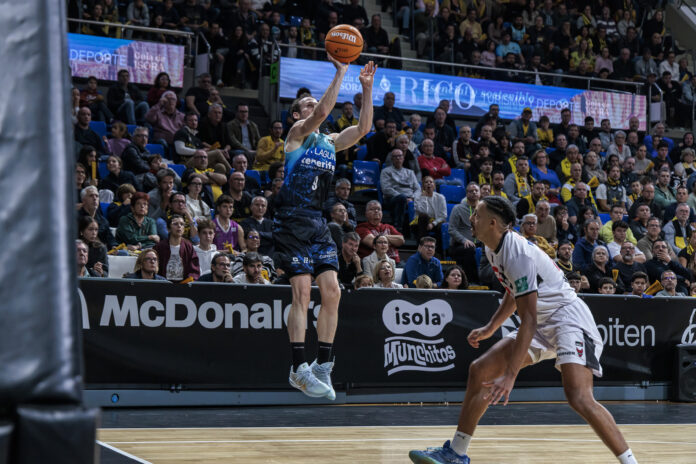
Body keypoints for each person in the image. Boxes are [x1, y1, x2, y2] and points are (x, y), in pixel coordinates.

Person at [409, 195, 638, 464]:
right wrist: (491, 326)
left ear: (493, 223)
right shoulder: (493, 247)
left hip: (567, 320)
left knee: (579, 397)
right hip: (541, 320)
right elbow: (514, 291)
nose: (471, 218)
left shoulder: (516, 253)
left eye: (477, 215)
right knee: (480, 370)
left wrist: (510, 375)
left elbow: (527, 318)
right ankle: (456, 453)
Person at [275, 59, 376, 400]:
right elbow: (320, 112)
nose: (314, 106)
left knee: (333, 292)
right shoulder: (296, 135)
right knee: (302, 292)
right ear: (296, 114)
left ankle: (323, 365)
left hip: (318, 222)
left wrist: (366, 89)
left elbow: (363, 128)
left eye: (313, 103)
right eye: (306, 104)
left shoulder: (330, 141)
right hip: (291, 219)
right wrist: (341, 72)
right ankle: (297, 368)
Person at [380, 148, 420, 232]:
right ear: (392, 159)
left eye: (400, 156)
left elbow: (417, 188)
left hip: (410, 199)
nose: (398, 158)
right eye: (395, 156)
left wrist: (412, 198)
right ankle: (398, 227)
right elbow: (386, 189)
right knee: (401, 198)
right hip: (393, 198)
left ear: (403, 158)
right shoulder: (386, 171)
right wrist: (404, 198)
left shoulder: (410, 172)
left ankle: (419, 230)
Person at [153, 214, 200, 282]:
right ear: (168, 229)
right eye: (175, 224)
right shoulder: (159, 247)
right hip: (163, 284)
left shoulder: (188, 246)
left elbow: (194, 269)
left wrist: (189, 281)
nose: (179, 226)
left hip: (184, 284)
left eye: (182, 224)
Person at [449, 183, 480, 284]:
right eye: (471, 191)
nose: (474, 192)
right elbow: (451, 229)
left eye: (476, 191)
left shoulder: (484, 210)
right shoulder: (458, 209)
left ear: (480, 194)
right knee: (469, 249)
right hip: (460, 245)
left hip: (479, 242)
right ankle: (472, 282)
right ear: (466, 194)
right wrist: (464, 240)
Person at [411, 176, 447, 245]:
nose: (429, 183)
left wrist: (433, 224)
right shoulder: (418, 197)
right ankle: (422, 245)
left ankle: (439, 249)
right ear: (423, 186)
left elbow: (443, 215)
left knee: (442, 224)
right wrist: (424, 198)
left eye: (431, 182)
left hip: (435, 222)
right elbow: (423, 211)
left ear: (434, 186)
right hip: (420, 222)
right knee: (423, 216)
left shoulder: (441, 197)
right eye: (426, 182)